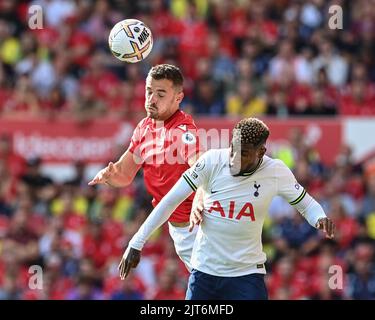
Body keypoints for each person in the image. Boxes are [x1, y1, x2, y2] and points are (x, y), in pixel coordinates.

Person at [118, 118, 335, 300]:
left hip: (246, 274)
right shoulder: (212, 161)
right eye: (233, 149)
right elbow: (170, 200)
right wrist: (137, 242)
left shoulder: (276, 171)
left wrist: (320, 217)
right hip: (205, 272)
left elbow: (305, 203)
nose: (234, 158)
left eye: (244, 154)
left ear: (261, 151)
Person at [88, 64, 204, 271]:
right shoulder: (144, 128)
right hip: (177, 230)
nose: (152, 99)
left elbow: (202, 166)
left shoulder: (182, 130)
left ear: (178, 98)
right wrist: (110, 176)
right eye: (149, 91)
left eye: (160, 94)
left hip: (200, 229)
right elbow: (125, 175)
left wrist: (202, 196)